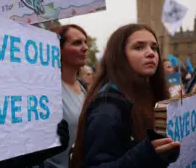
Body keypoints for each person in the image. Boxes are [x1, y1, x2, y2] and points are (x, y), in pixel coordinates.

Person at [70, 24, 180, 167]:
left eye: (154, 48)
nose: (151, 53)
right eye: (139, 47)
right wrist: (146, 154)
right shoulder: (108, 109)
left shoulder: (148, 96)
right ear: (119, 56)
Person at [44, 25, 89, 168]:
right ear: (58, 49)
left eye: (85, 42)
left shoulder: (83, 88)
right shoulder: (48, 89)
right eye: (77, 43)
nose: (85, 48)